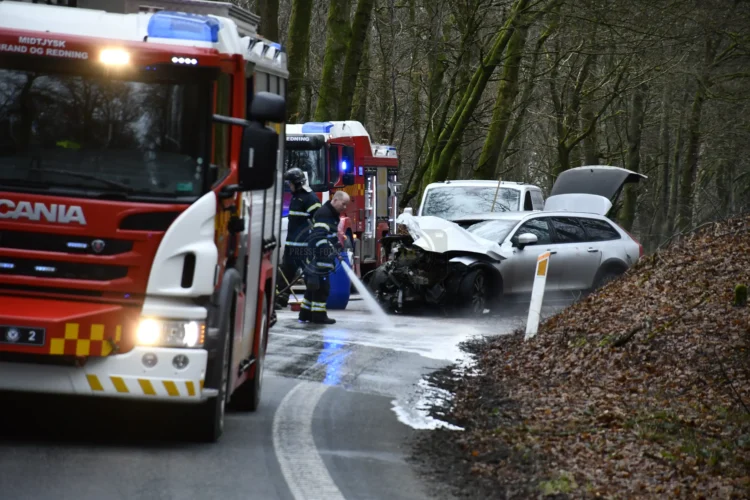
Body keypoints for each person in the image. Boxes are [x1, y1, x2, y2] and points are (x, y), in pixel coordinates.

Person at [299, 190, 351, 324]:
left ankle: (305, 314)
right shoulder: (325, 214)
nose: (345, 207)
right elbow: (319, 236)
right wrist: (328, 251)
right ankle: (319, 316)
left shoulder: (331, 214)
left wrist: (336, 245)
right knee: (322, 289)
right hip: (318, 259)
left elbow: (329, 235)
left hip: (317, 258)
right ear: (335, 200)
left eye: (346, 205)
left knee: (313, 288)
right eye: (343, 204)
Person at [275, 168, 322, 309]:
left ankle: (313, 303)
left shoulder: (310, 198)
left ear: (297, 183)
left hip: (304, 247)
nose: (289, 186)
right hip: (291, 246)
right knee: (285, 275)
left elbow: (319, 220)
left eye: (290, 183)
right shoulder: (295, 197)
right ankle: (280, 300)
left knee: (309, 276)